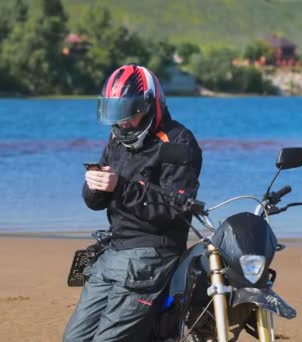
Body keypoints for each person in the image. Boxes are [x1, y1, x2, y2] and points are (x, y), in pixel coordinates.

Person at [63, 64, 203, 342]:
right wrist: (95, 187)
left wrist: (120, 187)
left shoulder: (178, 141)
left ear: (151, 105)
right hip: (114, 250)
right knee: (74, 339)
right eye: (117, 113)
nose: (123, 123)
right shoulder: (116, 139)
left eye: (130, 113)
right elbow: (95, 202)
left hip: (151, 254)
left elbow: (174, 210)